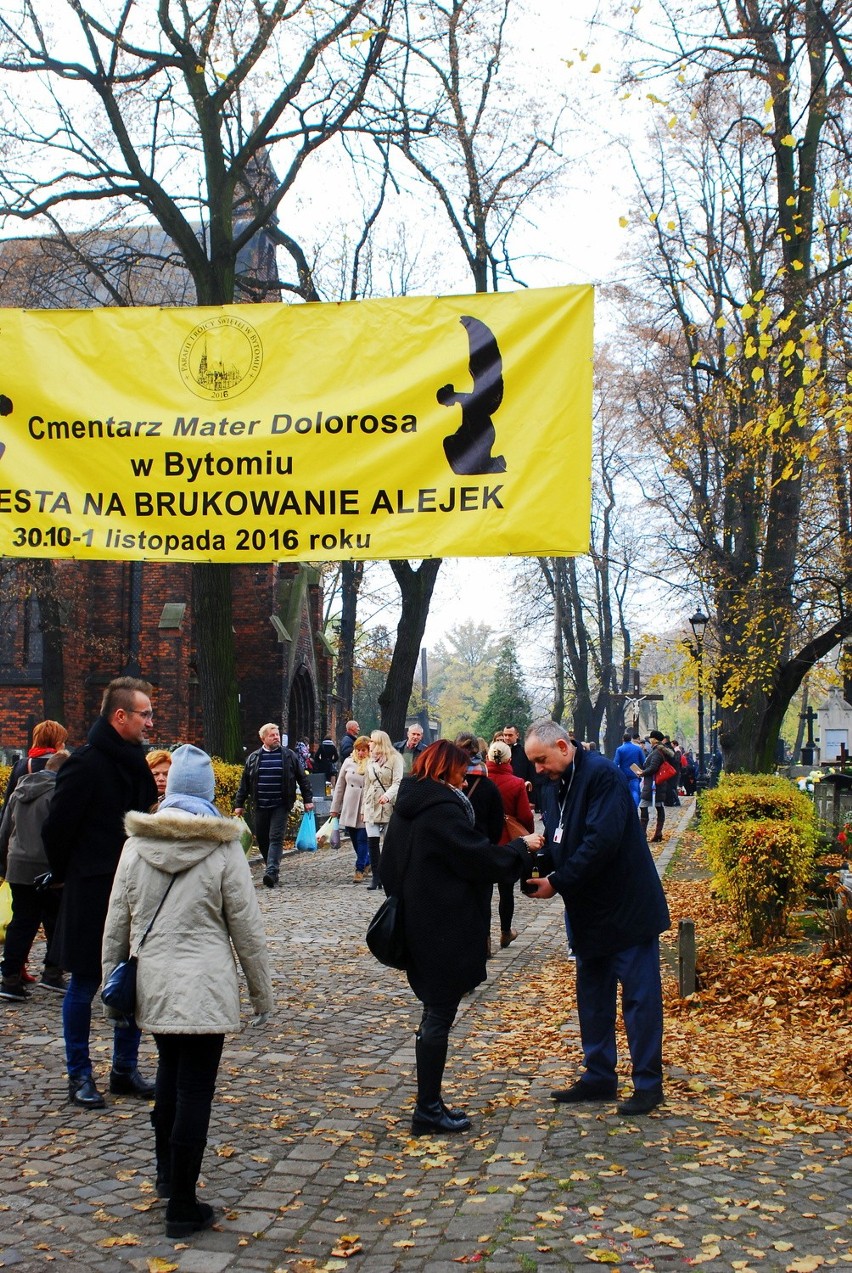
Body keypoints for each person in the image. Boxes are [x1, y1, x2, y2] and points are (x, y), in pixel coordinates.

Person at [102, 744, 273, 1239]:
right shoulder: (223, 847)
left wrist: (112, 982)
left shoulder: (136, 844)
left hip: (154, 983)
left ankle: (164, 1175)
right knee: (196, 1088)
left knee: (170, 1077)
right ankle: (182, 1201)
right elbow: (246, 928)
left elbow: (116, 920)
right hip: (206, 987)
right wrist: (262, 995)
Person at [380, 739, 543, 1135]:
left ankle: (429, 1104)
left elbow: (389, 867)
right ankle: (428, 1109)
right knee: (439, 1013)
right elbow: (477, 856)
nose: (466, 772)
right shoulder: (440, 810)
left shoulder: (410, 806)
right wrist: (521, 848)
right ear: (443, 770)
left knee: (435, 1011)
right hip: (440, 926)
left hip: (419, 922)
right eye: (460, 767)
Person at [523, 720, 670, 1116]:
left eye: (541, 760)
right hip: (588, 911)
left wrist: (557, 881)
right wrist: (536, 864)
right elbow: (559, 836)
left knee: (639, 1000)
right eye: (533, 763)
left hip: (627, 907)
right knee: (593, 997)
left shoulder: (602, 774)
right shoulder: (553, 784)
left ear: (563, 746)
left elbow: (600, 842)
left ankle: (648, 1085)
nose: (537, 769)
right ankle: (600, 1074)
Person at [42, 676, 159, 1110]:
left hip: (133, 891)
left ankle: (124, 1070)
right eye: (145, 713)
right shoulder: (85, 763)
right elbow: (56, 828)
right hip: (92, 890)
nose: (151, 721)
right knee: (86, 983)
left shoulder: (135, 760)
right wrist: (70, 872)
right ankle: (79, 1074)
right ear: (120, 716)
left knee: (131, 980)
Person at [0, 750, 70, 999]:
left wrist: (5, 863)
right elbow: (60, 832)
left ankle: (9, 977)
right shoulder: (59, 793)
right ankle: (52, 973)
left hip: (18, 863)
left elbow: (6, 827)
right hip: (47, 866)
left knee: (22, 922)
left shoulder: (20, 790)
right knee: (55, 920)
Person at [234, 723, 313, 889]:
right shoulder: (254, 758)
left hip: (281, 803)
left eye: (277, 734)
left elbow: (302, 778)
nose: (276, 737)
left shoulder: (288, 756)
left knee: (275, 837)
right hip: (260, 804)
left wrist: (308, 799)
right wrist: (239, 804)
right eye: (272, 735)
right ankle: (271, 867)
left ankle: (271, 871)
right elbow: (245, 783)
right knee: (262, 838)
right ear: (263, 738)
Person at [486, 740, 534, 948]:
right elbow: (524, 814)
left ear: (488, 757)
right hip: (507, 841)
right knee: (507, 891)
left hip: (484, 840)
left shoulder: (480, 780)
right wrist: (528, 835)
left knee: (484, 891)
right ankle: (505, 931)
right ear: (509, 759)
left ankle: (484, 937)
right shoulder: (516, 783)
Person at [363, 730, 403, 890]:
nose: (369, 744)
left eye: (372, 741)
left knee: (388, 842)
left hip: (388, 803)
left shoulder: (395, 759)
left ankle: (388, 874)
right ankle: (376, 876)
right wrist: (362, 809)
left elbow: (398, 781)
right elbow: (366, 785)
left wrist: (387, 795)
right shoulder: (370, 761)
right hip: (371, 803)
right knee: (372, 841)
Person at [329, 735, 372, 882]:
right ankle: (367, 861)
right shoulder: (348, 762)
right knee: (354, 838)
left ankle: (359, 869)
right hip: (350, 805)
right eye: (358, 750)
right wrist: (335, 808)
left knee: (362, 839)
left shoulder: (373, 764)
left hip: (364, 806)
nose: (361, 753)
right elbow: (340, 786)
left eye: (364, 750)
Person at [2, 719, 69, 808]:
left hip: (24, 820)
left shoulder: (22, 765)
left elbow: (8, 802)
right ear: (59, 742)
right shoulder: (66, 765)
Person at [637, 730, 675, 843]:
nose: (649, 740)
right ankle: (658, 833)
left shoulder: (657, 752)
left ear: (654, 740)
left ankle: (644, 833)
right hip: (658, 784)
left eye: (650, 738)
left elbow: (653, 767)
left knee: (643, 805)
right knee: (659, 806)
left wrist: (642, 773)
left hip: (653, 784)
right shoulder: (659, 751)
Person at [613, 732, 644, 807]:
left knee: (623, 792)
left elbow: (615, 763)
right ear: (631, 739)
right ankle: (635, 808)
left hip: (623, 774)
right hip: (635, 773)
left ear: (623, 739)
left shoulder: (619, 749)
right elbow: (643, 761)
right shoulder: (638, 749)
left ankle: (625, 807)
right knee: (635, 792)